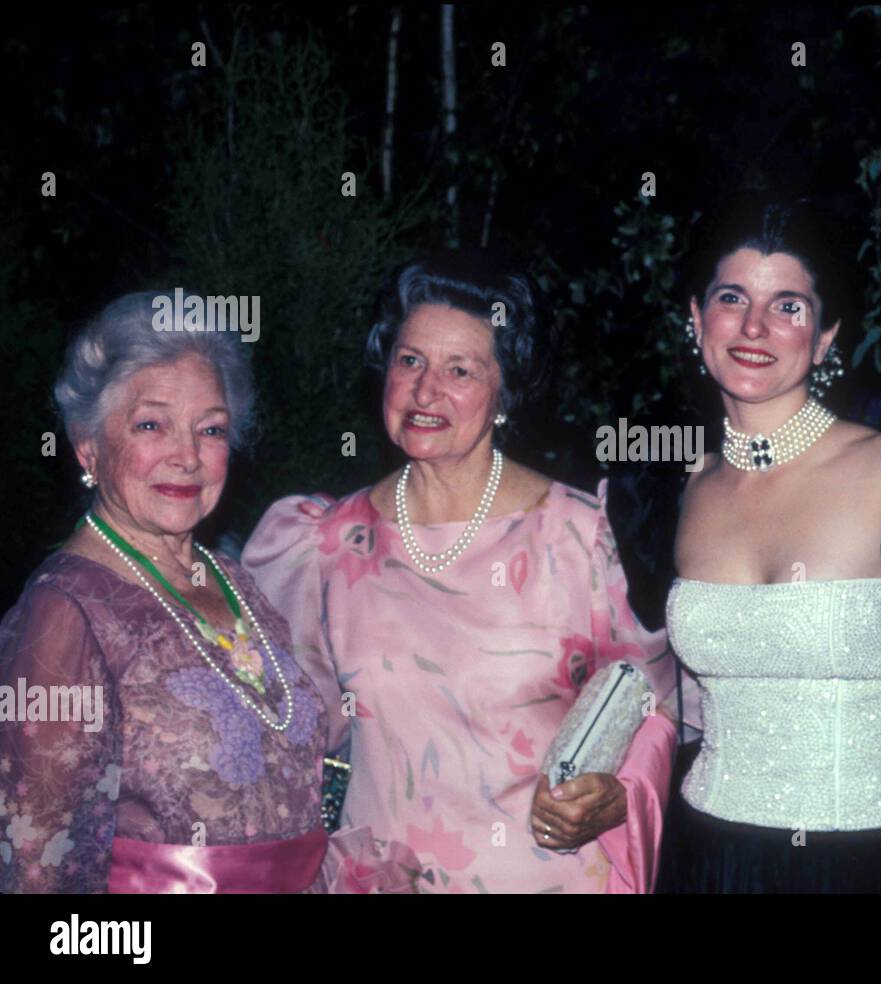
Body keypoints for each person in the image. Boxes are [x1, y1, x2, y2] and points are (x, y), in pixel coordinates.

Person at [243, 252, 681, 893]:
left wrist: (617, 797)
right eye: (410, 360)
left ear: (505, 390)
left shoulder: (580, 537)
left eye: (461, 370)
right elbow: (281, 737)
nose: (426, 391)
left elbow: (655, 705)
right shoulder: (323, 543)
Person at [608, 198, 881, 893]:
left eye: (789, 306)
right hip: (706, 864)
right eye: (732, 298)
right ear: (696, 318)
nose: (755, 326)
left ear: (825, 338)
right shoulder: (669, 488)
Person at [0, 292, 328, 893]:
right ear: (88, 445)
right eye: (152, 425)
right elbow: (35, 869)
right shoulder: (66, 610)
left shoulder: (235, 581)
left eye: (211, 429)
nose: (186, 456)